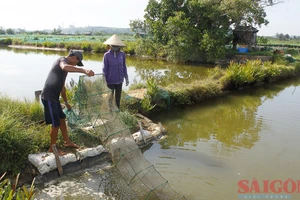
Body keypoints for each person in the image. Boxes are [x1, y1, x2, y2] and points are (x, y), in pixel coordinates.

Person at [41, 50, 95, 155]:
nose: (75, 64)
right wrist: (84, 70)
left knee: (62, 118)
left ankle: (67, 142)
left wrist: (66, 102)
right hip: (48, 97)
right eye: (77, 62)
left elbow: (62, 87)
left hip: (54, 98)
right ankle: (52, 148)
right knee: (55, 123)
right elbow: (64, 66)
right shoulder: (62, 60)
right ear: (74, 57)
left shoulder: (65, 70)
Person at [102, 34, 129, 109]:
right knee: (110, 98)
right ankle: (110, 112)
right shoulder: (106, 55)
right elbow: (104, 69)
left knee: (118, 98)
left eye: (117, 45)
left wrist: (126, 77)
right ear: (110, 46)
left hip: (120, 80)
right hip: (110, 81)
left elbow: (124, 66)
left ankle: (117, 111)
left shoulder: (122, 54)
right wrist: (104, 80)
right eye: (113, 45)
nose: (115, 47)